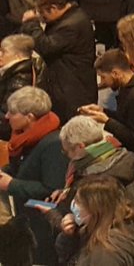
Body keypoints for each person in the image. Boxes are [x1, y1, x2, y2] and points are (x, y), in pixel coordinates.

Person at [56, 116, 134, 229]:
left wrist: (53, 214)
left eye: (66, 152)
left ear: (80, 146)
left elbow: (74, 223)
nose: (68, 157)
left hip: (119, 234)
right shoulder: (124, 158)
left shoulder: (89, 180)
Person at [2, 87, 67, 265]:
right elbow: (25, 168)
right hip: (29, 220)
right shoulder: (26, 138)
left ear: (29, 117)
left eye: (12, 112)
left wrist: (11, 185)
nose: (6, 116)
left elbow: (52, 188)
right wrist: (6, 172)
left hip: (43, 227)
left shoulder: (53, 144)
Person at [19, 0, 97, 121]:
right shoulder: (70, 17)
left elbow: (45, 47)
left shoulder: (71, 25)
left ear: (53, 8)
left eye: (43, 14)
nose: (42, 19)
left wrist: (32, 24)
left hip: (73, 90)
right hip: (68, 84)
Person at [54, 175, 134, 266]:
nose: (74, 204)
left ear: (95, 210)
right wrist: (69, 236)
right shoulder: (119, 226)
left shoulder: (105, 254)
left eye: (78, 201)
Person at [0, 34, 38, 140]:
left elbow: (7, 113)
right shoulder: (12, 72)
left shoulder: (21, 77)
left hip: (7, 133)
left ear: (18, 56)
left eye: (4, 52)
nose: (0, 55)